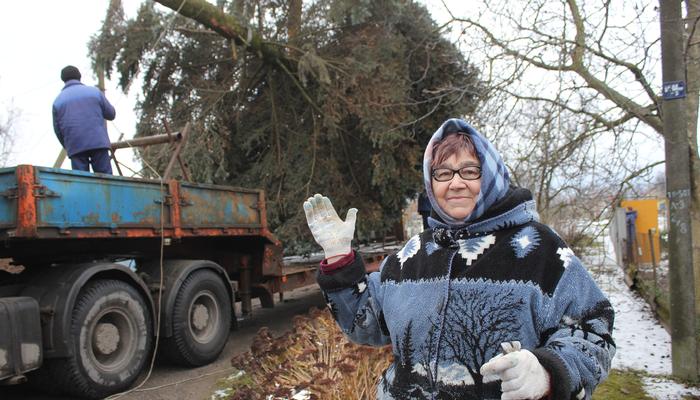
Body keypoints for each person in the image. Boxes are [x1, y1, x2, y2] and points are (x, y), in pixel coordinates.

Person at [303, 118, 615, 400]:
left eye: (469, 171)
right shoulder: (410, 256)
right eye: (443, 173)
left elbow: (594, 331)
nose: (455, 183)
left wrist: (546, 371)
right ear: (431, 182)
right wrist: (339, 257)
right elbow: (365, 325)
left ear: (490, 176)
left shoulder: (540, 249)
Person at [52, 65, 116, 174]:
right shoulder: (95, 92)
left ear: (63, 80)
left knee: (82, 181)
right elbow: (111, 114)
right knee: (105, 179)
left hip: (75, 145)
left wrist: (68, 146)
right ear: (79, 77)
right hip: (98, 142)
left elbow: (58, 130)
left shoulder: (57, 101)